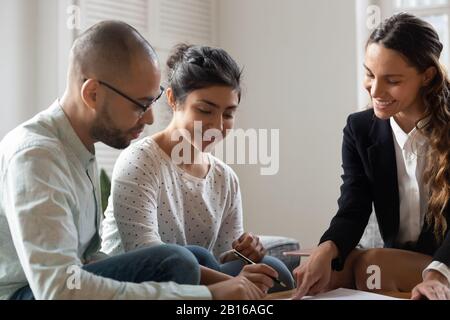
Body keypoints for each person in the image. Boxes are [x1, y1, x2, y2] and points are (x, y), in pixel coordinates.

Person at [0, 20, 273, 300]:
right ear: (92, 94)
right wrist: (207, 294)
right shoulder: (37, 156)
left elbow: (85, 261)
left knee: (260, 267)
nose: (151, 118)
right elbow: (57, 289)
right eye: (139, 105)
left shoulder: (78, 149)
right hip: (30, 294)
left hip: (62, 283)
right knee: (177, 262)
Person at [100, 44, 294, 292]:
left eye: (228, 114)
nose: (216, 124)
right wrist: (233, 283)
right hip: (139, 283)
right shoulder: (140, 160)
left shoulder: (225, 178)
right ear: (172, 99)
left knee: (275, 272)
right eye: (205, 110)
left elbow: (222, 258)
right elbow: (148, 253)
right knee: (191, 257)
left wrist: (245, 252)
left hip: (191, 277)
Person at [293, 13, 450, 300]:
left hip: (445, 259)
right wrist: (326, 247)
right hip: (404, 257)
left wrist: (438, 275)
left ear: (426, 75)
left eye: (391, 80)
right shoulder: (359, 128)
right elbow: (354, 204)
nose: (375, 90)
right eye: (369, 74)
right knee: (331, 270)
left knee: (372, 264)